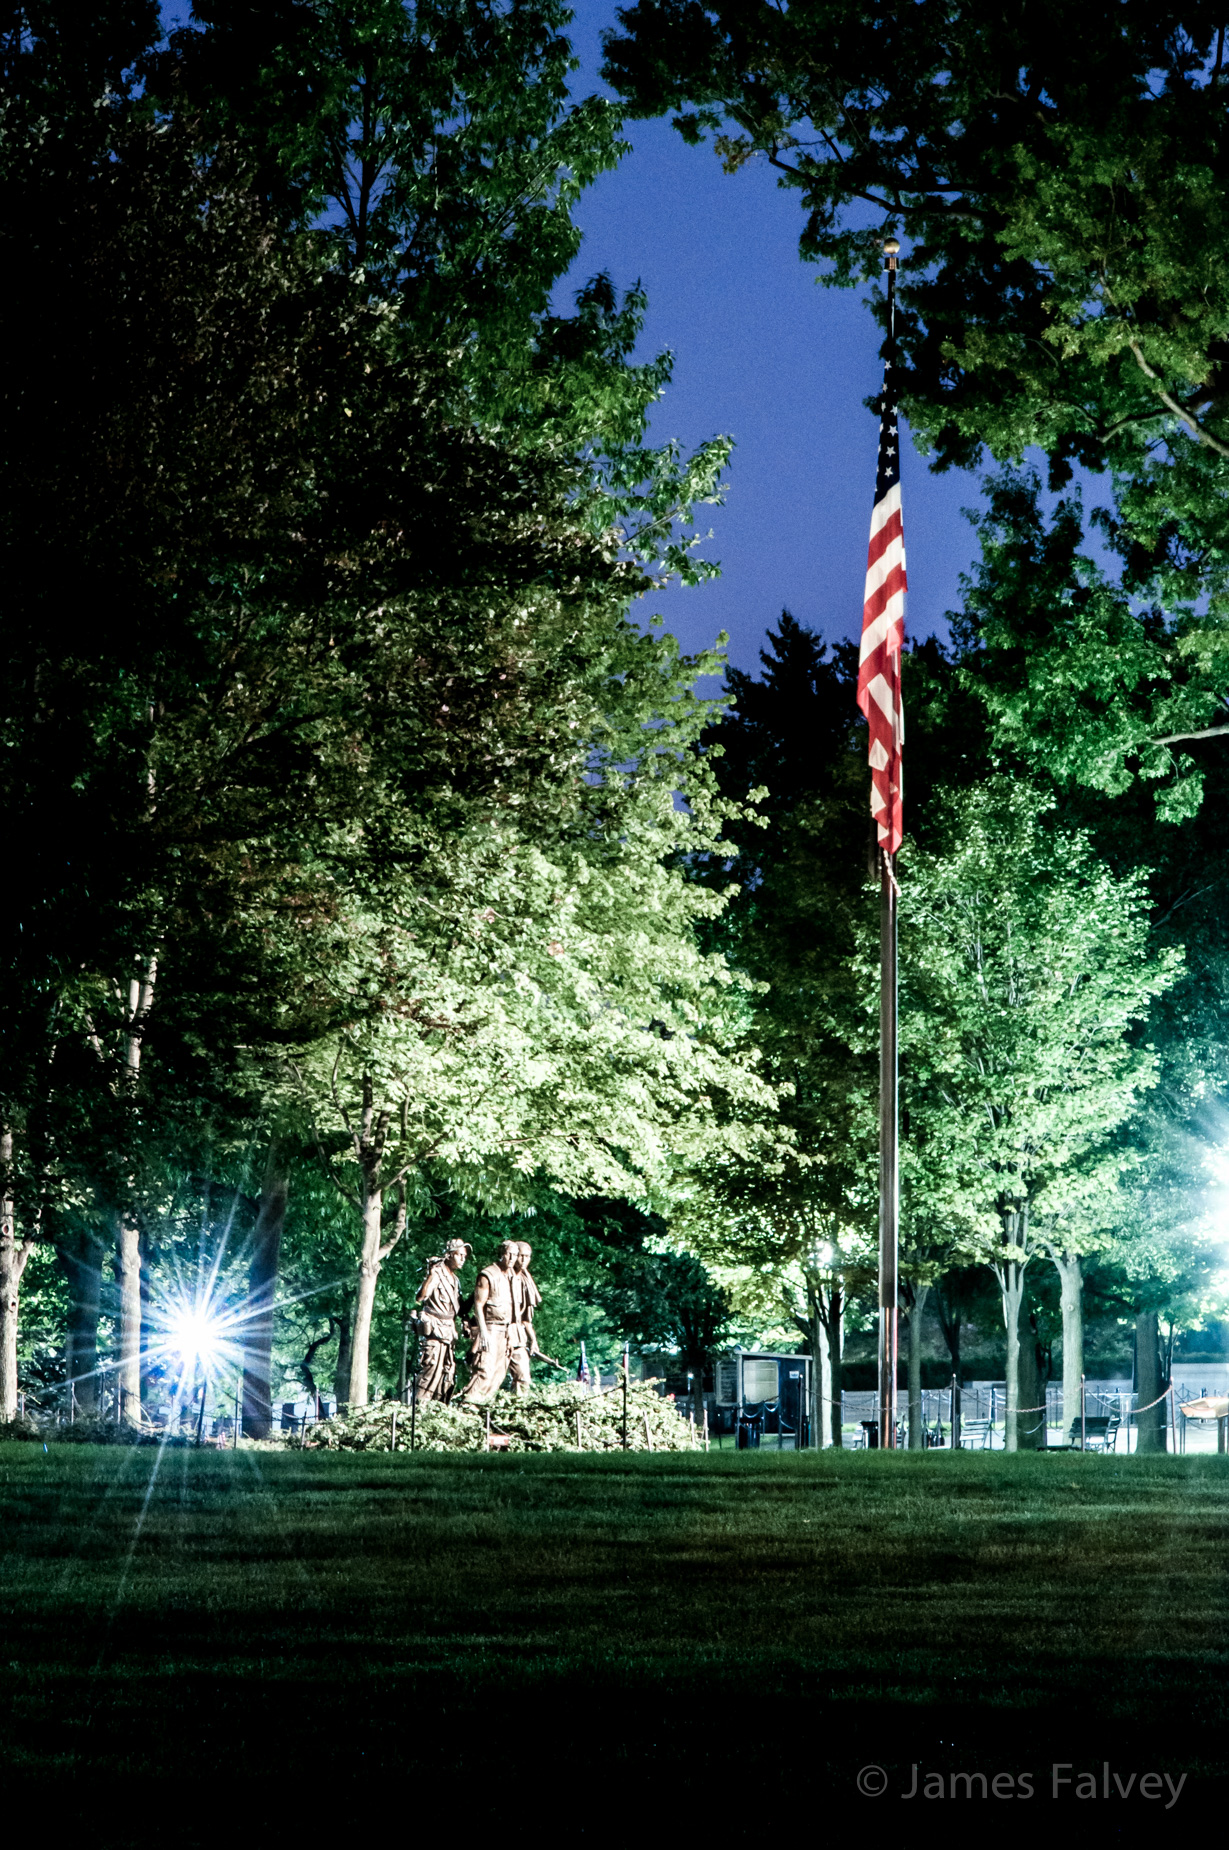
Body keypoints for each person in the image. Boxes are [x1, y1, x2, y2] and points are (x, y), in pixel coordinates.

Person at [460, 1240, 519, 1403]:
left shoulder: (513, 1277)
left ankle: (482, 1406)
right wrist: (483, 1333)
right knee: (485, 1369)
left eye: (515, 1255)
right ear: (501, 1254)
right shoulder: (488, 1275)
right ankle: (469, 1404)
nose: (512, 1258)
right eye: (509, 1254)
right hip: (490, 1329)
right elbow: (478, 1305)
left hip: (506, 1331)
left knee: (499, 1373)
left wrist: (512, 1335)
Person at [412, 1239, 469, 1403]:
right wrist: (430, 1275)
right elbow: (421, 1297)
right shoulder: (437, 1272)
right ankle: (419, 1410)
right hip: (435, 1329)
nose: (463, 1259)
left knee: (447, 1373)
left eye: (464, 1256)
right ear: (449, 1255)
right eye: (459, 1255)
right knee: (430, 1370)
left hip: (449, 1332)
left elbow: (457, 1307)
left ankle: (438, 1410)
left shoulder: (455, 1280)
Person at [507, 1240, 543, 1395]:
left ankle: (516, 1409)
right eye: (520, 1256)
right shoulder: (502, 1277)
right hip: (499, 1332)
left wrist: (533, 1340)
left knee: (523, 1378)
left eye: (527, 1257)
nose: (523, 1260)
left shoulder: (525, 1280)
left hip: (517, 1336)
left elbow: (526, 1319)